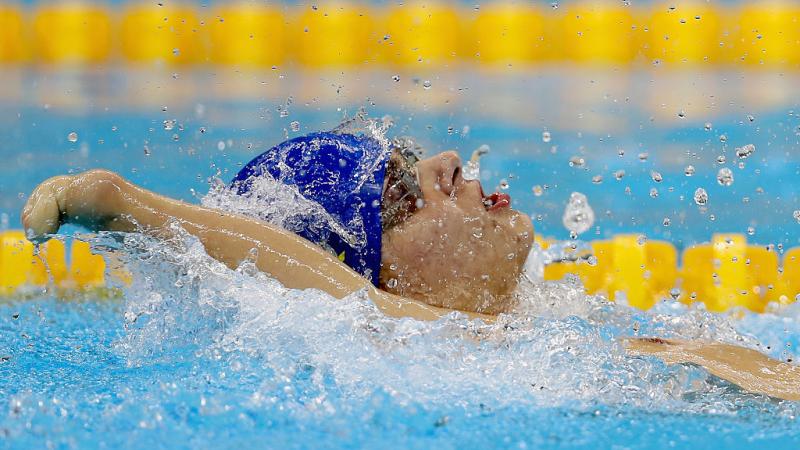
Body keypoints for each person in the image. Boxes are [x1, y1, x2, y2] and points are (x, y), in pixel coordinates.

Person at [21, 129, 800, 401]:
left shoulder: (553, 335)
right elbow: (311, 284)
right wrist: (124, 206)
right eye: (397, 193)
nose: (449, 160)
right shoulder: (412, 338)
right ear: (365, 278)